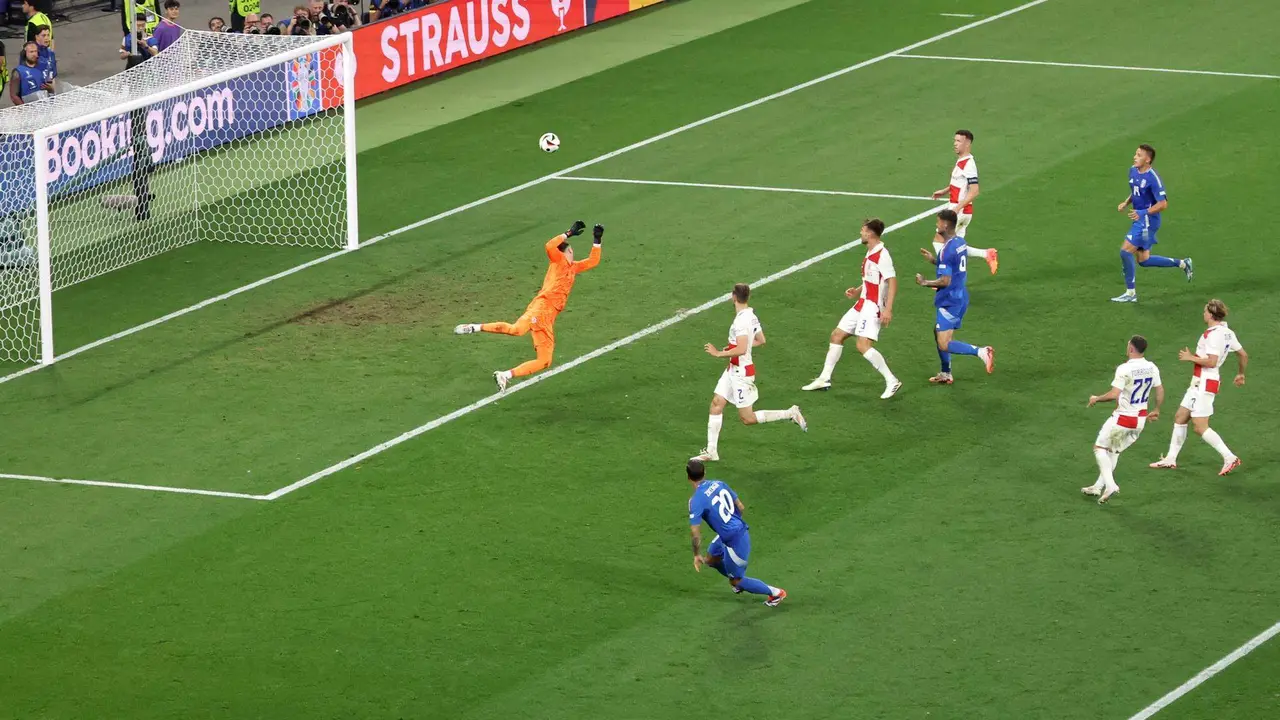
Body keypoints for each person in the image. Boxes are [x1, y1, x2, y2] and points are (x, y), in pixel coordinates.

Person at [454, 222, 603, 393]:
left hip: (549, 317)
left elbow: (593, 261)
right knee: (517, 330)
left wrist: (597, 240)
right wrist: (567, 233)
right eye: (570, 250)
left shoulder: (573, 267)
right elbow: (549, 245)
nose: (572, 253)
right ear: (566, 251)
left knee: (545, 361)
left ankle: (505, 375)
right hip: (541, 307)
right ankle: (473, 327)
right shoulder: (558, 261)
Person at [691, 283, 807, 463]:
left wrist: (719, 353)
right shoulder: (751, 316)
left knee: (747, 418)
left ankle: (790, 413)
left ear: (733, 297)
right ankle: (711, 451)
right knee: (716, 403)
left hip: (741, 374)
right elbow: (761, 340)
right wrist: (733, 348)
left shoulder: (741, 321)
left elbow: (743, 348)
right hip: (733, 369)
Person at [801, 218, 902, 398]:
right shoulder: (871, 251)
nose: (860, 233)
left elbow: (891, 281)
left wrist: (888, 309)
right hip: (862, 302)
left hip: (873, 306)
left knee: (863, 345)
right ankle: (824, 378)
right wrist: (857, 290)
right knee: (837, 335)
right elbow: (872, 280)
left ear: (871, 233)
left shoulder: (882, 255)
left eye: (863, 230)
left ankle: (892, 380)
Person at [1149, 299, 1246, 475]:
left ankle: (1230, 457)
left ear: (1210, 314)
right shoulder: (1227, 332)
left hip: (1204, 383)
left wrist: (1190, 357)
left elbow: (1212, 361)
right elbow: (1242, 354)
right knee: (1180, 417)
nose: (1203, 314)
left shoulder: (1213, 335)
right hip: (1200, 382)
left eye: (1204, 311)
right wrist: (1241, 373)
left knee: (1200, 426)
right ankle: (1171, 459)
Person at [685, 460, 787, 607]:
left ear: (688, 478)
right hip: (728, 535)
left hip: (736, 541)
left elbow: (695, 533)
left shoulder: (695, 501)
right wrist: (732, 524)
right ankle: (734, 575)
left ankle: (776, 593)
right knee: (711, 559)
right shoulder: (719, 483)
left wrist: (696, 554)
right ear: (704, 472)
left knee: (737, 580)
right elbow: (741, 506)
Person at [1082, 335, 1163, 504]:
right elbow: (1159, 389)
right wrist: (1156, 409)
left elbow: (1113, 395)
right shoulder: (1152, 367)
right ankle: (1098, 486)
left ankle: (1110, 485)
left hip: (1123, 419)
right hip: (1140, 421)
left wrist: (1096, 398)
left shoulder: (1125, 369)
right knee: (1114, 450)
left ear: (1131, 349)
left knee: (1099, 448)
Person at [915, 210, 994, 384]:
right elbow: (953, 266)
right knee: (938, 332)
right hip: (961, 295)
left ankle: (981, 351)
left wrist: (924, 282)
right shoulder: (959, 242)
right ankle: (946, 373)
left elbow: (944, 280)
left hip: (950, 300)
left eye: (938, 222)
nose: (936, 225)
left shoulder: (947, 250)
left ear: (944, 225)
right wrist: (933, 261)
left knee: (944, 343)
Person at [1112, 144, 1192, 302]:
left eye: (1139, 155)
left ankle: (1130, 293)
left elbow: (1163, 204)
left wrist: (1143, 212)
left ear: (1147, 160)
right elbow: (1136, 191)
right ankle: (1183, 264)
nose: (1135, 157)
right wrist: (1126, 202)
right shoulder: (1133, 170)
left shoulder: (1153, 178)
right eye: (1135, 154)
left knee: (1125, 251)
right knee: (1144, 260)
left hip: (1148, 221)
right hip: (1140, 219)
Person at [931, 129, 997, 274]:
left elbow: (974, 190)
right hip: (960, 210)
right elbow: (959, 182)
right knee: (956, 246)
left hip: (959, 211)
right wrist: (944, 190)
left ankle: (944, 276)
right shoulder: (961, 161)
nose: (955, 144)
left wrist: (956, 209)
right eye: (954, 141)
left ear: (967, 143)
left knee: (938, 241)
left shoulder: (969, 164)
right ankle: (987, 254)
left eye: (958, 141)